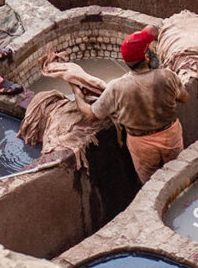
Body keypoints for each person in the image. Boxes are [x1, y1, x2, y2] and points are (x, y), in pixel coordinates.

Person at [75, 26, 188, 183]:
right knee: (179, 175)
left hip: (141, 144)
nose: (152, 52)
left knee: (151, 185)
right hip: (170, 135)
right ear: (147, 58)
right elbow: (184, 98)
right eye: (149, 49)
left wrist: (77, 94)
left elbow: (91, 114)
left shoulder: (117, 87)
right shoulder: (167, 76)